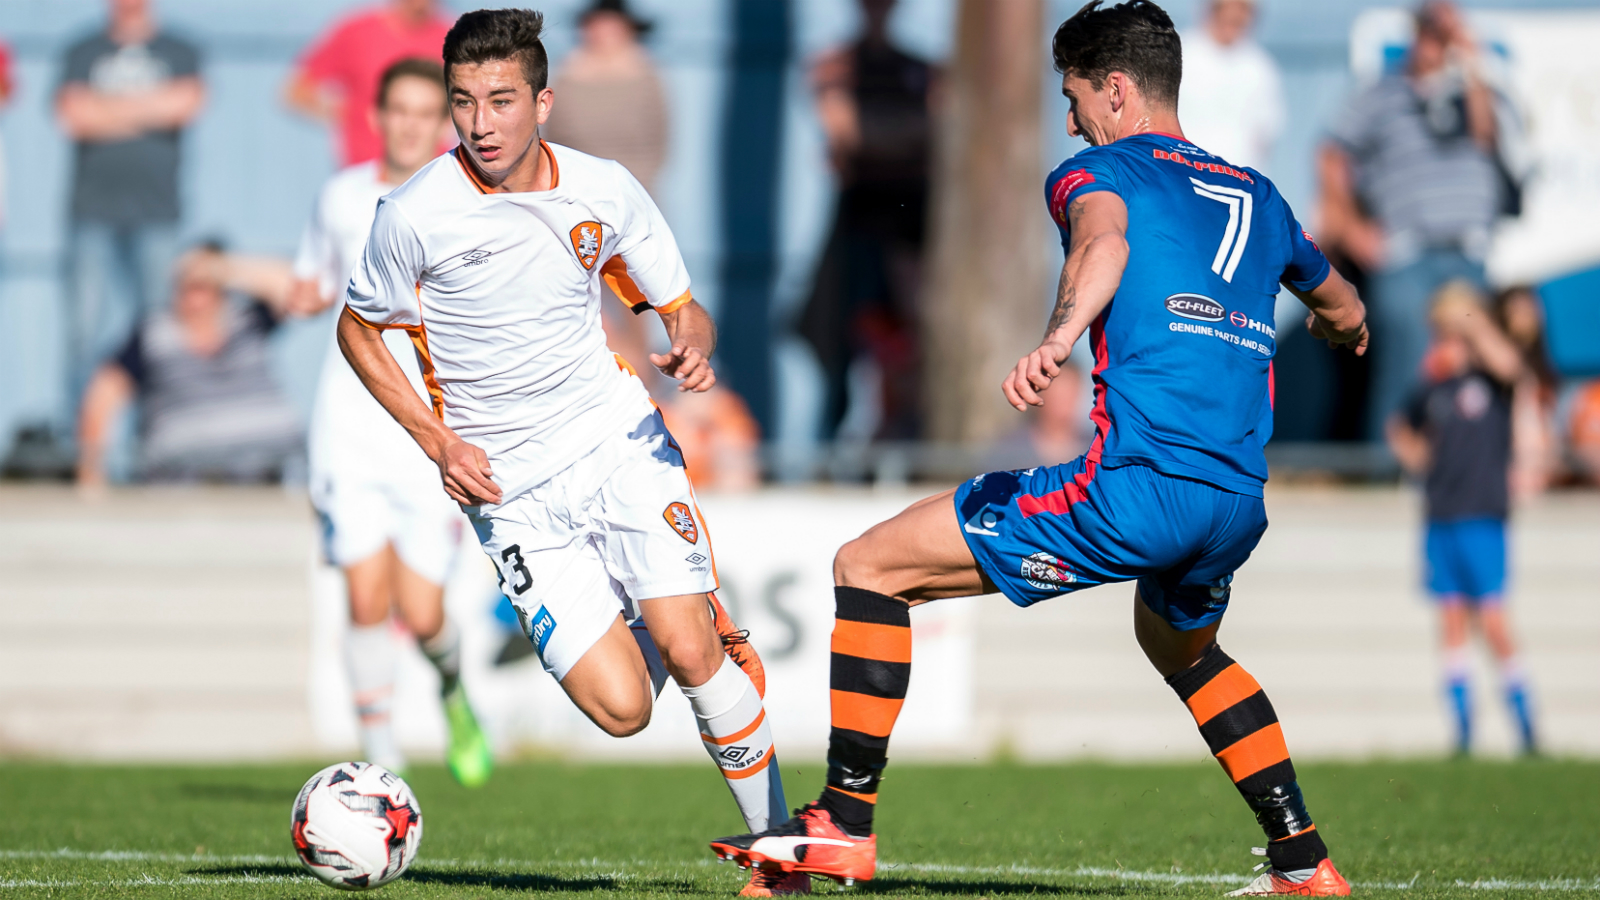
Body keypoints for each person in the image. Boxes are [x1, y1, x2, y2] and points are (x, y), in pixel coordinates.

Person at [710, 3, 1368, 896]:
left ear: (1118, 89)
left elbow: (1102, 243)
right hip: (1234, 504)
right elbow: (1345, 306)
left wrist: (1059, 339)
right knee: (1185, 651)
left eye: (1074, 96)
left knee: (869, 565)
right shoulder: (1260, 195)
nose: (1069, 119)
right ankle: (1303, 859)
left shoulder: (1100, 170)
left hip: (1136, 489)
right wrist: (1340, 331)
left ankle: (842, 824)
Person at [335, 12, 801, 897]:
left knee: (694, 656)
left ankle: (779, 855)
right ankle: (687, 621)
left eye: (502, 100)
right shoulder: (414, 213)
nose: (481, 123)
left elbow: (681, 305)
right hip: (509, 494)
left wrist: (691, 342)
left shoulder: (605, 189)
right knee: (623, 710)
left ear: (543, 101)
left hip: (614, 442)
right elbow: (358, 329)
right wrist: (435, 439)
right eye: (465, 102)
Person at [291, 58, 491, 786]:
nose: (409, 124)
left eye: (422, 112)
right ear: (375, 117)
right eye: (396, 110)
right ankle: (382, 760)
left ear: (441, 122)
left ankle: (451, 688)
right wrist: (298, 295)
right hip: (348, 425)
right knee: (365, 597)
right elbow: (315, 282)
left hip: (427, 433)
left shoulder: (459, 198)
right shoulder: (341, 197)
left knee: (424, 609)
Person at [1318, 0, 1510, 441]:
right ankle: (1389, 476)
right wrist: (1350, 228)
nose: (1434, 44)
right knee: (1407, 366)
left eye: (1442, 35)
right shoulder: (1383, 92)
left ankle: (1460, 475)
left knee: (1469, 371)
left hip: (1467, 251)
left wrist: (1470, 59)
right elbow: (1331, 153)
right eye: (1428, 32)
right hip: (1407, 252)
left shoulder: (1471, 91)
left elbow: (1487, 135)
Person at [1386, 281, 1537, 757]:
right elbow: (1399, 425)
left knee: (1492, 621)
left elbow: (1511, 365)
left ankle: (1526, 727)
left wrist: (1472, 324)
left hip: (1482, 514)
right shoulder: (1433, 384)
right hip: (1440, 515)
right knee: (1450, 621)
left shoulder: (1493, 378)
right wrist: (1418, 458)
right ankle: (1464, 733)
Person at [57, 0, 204, 446]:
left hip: (157, 215)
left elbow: (186, 104)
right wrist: (150, 110)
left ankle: (152, 447)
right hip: (92, 214)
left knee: (157, 337)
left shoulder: (179, 48)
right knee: (84, 336)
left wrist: (107, 111)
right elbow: (73, 116)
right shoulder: (83, 49)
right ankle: (81, 454)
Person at [798, 0, 936, 442]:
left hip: (911, 226)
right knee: (839, 343)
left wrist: (867, 136)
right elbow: (842, 128)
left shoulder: (920, 69)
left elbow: (931, 128)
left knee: (908, 346)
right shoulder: (837, 64)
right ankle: (830, 447)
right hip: (858, 224)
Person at [75, 244, 302, 486]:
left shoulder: (250, 319)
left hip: (267, 476)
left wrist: (223, 268)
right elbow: (103, 394)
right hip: (183, 484)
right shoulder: (154, 333)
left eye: (203, 286)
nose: (195, 297)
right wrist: (91, 473)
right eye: (187, 285)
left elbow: (299, 289)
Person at [285, 0, 455, 166]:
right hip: (366, 169)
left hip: (431, 170)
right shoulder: (357, 32)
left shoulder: (453, 37)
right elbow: (298, 90)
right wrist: (346, 114)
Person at [542, 0, 667, 193]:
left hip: (634, 187)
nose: (604, 34)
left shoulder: (645, 75)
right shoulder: (567, 75)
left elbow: (657, 141)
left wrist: (636, 188)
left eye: (611, 27)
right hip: (574, 188)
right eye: (597, 26)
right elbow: (552, 137)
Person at [1178, 0, 1283, 172]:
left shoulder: (1261, 68)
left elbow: (1265, 134)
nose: (1235, 15)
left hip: (1238, 185)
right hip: (1181, 179)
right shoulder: (1180, 54)